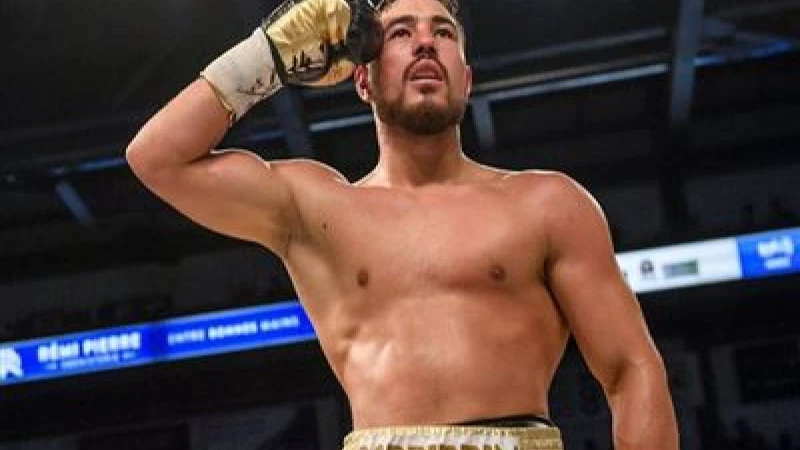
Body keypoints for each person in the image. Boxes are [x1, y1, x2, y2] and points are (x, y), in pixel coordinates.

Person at [125, 0, 680, 448]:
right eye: (400, 33)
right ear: (362, 81)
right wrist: (268, 53)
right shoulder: (317, 210)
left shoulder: (548, 204)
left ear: (467, 78)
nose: (425, 42)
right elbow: (156, 159)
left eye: (443, 31)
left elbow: (633, 368)